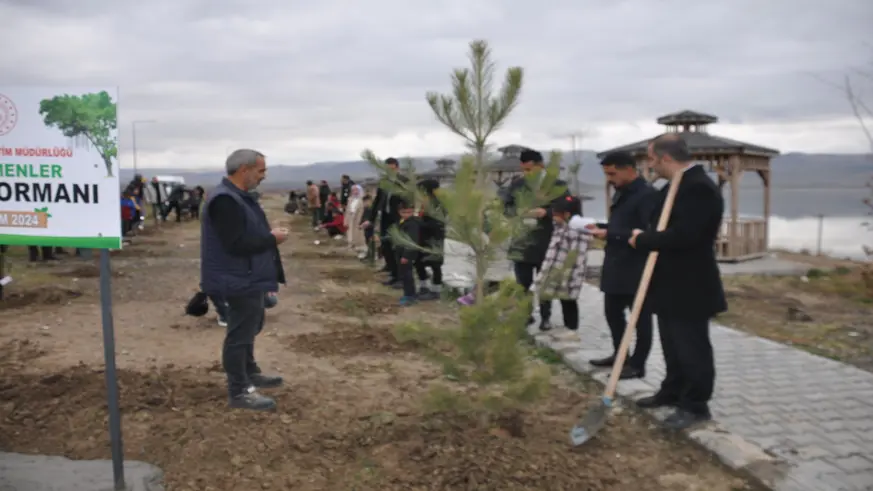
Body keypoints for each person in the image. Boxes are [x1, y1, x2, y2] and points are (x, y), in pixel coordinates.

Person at [629, 134, 726, 430]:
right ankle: (672, 391)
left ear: (665, 158)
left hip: (691, 284)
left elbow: (686, 236)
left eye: (651, 159)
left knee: (691, 347)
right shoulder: (673, 186)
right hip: (668, 283)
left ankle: (695, 405)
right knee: (672, 345)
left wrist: (642, 240)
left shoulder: (698, 188)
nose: (650, 165)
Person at [200, 148, 288, 411]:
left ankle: (250, 372)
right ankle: (239, 390)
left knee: (250, 326)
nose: (264, 176)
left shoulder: (239, 197)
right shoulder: (225, 200)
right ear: (244, 170)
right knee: (240, 333)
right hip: (237, 278)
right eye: (261, 171)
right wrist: (272, 239)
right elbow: (236, 243)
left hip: (247, 276)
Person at [585, 151, 657, 380]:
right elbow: (622, 224)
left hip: (636, 267)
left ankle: (638, 364)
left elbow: (648, 233)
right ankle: (620, 355)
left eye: (612, 173)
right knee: (612, 313)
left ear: (629, 169)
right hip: (615, 265)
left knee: (640, 318)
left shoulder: (647, 195)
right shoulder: (621, 193)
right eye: (606, 174)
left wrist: (610, 234)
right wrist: (599, 226)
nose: (609, 179)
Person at [502, 149, 570, 330]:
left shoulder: (557, 185)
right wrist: (518, 212)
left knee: (545, 283)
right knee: (522, 284)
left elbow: (568, 209)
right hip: (522, 241)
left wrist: (546, 213)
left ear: (541, 166)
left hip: (547, 240)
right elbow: (506, 207)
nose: (528, 174)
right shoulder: (517, 185)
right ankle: (525, 315)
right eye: (525, 170)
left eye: (531, 169)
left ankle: (546, 318)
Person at [532, 196, 591, 332]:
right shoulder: (560, 226)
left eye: (556, 214)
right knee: (545, 293)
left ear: (567, 214)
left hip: (568, 272)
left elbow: (578, 256)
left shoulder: (578, 231)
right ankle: (545, 319)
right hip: (552, 268)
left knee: (568, 300)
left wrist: (568, 272)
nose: (553, 217)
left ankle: (571, 328)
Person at [361, 157, 409, 287]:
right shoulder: (384, 182)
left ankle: (401, 277)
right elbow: (377, 201)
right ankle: (393, 274)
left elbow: (409, 199)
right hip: (386, 218)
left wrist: (406, 215)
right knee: (386, 246)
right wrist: (370, 219)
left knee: (398, 248)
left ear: (397, 167)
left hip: (398, 218)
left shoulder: (404, 181)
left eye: (391, 168)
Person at [415, 179, 445, 301]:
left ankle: (436, 290)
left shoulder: (438, 204)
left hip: (434, 238)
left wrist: (419, 222)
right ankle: (423, 286)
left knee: (435, 264)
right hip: (423, 236)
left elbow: (437, 223)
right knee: (418, 261)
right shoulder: (426, 202)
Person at [394, 199, 420, 306]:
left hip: (407, 254)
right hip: (400, 252)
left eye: (409, 212)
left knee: (408, 275)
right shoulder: (401, 222)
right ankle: (407, 293)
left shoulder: (413, 224)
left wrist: (406, 255)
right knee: (404, 274)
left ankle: (410, 296)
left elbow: (412, 241)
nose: (407, 215)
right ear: (399, 212)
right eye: (404, 212)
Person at [344, 185, 366, 251]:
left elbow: (362, 210)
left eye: (356, 190)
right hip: (350, 217)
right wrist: (345, 220)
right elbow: (347, 210)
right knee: (349, 231)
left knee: (358, 232)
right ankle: (350, 244)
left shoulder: (362, 200)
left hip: (358, 218)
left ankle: (358, 245)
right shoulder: (350, 199)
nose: (355, 192)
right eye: (353, 190)